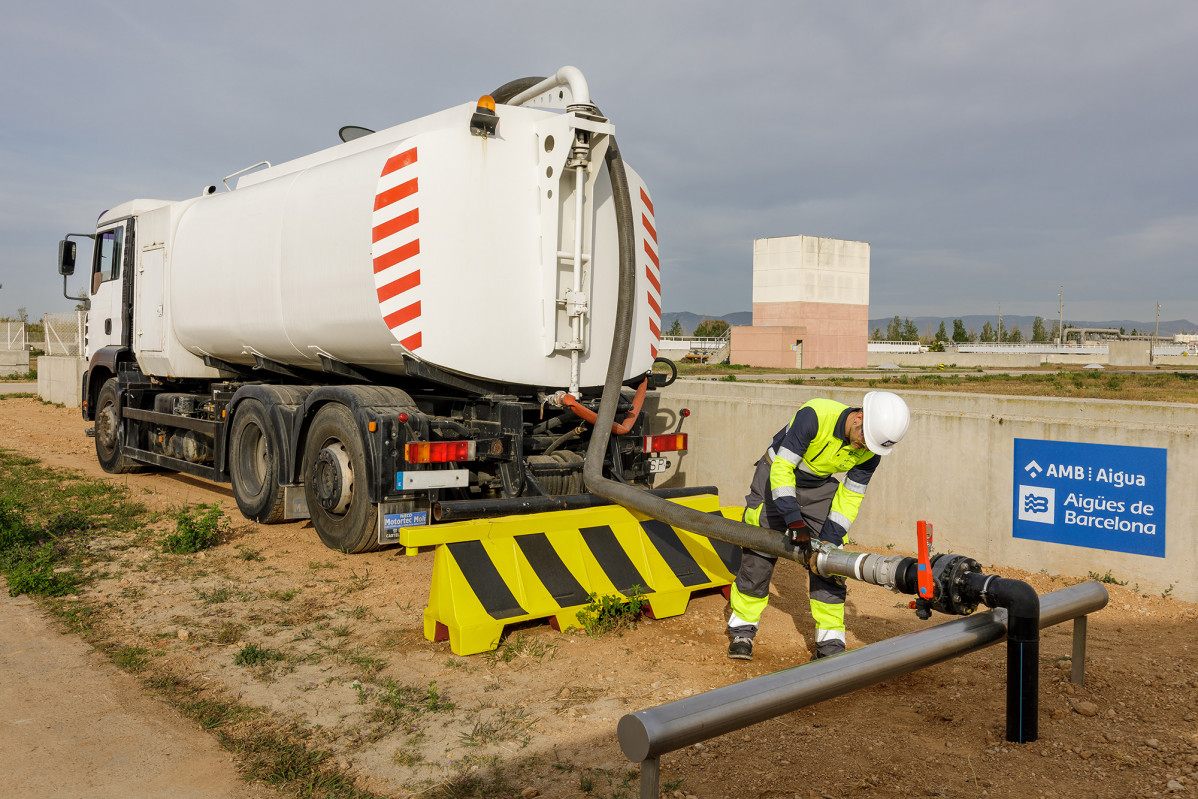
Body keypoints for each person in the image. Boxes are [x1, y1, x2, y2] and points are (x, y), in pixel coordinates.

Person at [726, 391, 911, 661]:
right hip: (775, 473)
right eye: (864, 440)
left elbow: (851, 496)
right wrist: (793, 519)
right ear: (859, 417)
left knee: (831, 561)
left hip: (819, 486)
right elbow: (782, 469)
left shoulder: (872, 450)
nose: (865, 448)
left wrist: (830, 539)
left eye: (872, 446)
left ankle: (830, 643)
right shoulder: (815, 416)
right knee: (760, 552)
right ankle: (742, 631)